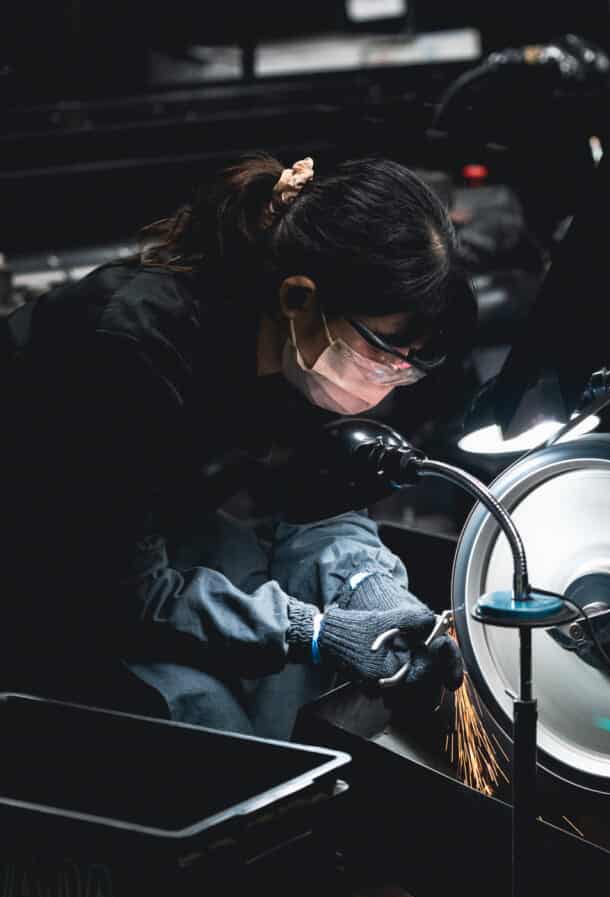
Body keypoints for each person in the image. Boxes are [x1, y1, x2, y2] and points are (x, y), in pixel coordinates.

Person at [3, 152, 470, 740]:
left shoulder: (301, 353)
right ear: (299, 297)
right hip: (41, 573)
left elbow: (315, 506)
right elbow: (119, 589)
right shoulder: (129, 351)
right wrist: (312, 630)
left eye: (408, 363)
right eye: (383, 351)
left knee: (299, 676)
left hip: (146, 529)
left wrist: (368, 588)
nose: (390, 375)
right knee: (209, 716)